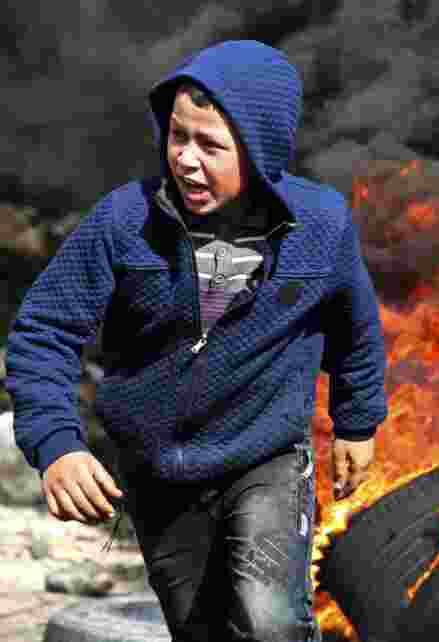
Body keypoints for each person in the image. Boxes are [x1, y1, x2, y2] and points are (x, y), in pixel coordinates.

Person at [5, 40, 389, 642]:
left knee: (269, 622)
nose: (185, 159)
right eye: (177, 136)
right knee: (201, 632)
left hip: (266, 453)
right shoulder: (123, 222)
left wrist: (357, 423)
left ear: (259, 152)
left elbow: (355, 328)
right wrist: (57, 445)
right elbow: (43, 332)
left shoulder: (321, 226)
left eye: (210, 145)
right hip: (158, 471)